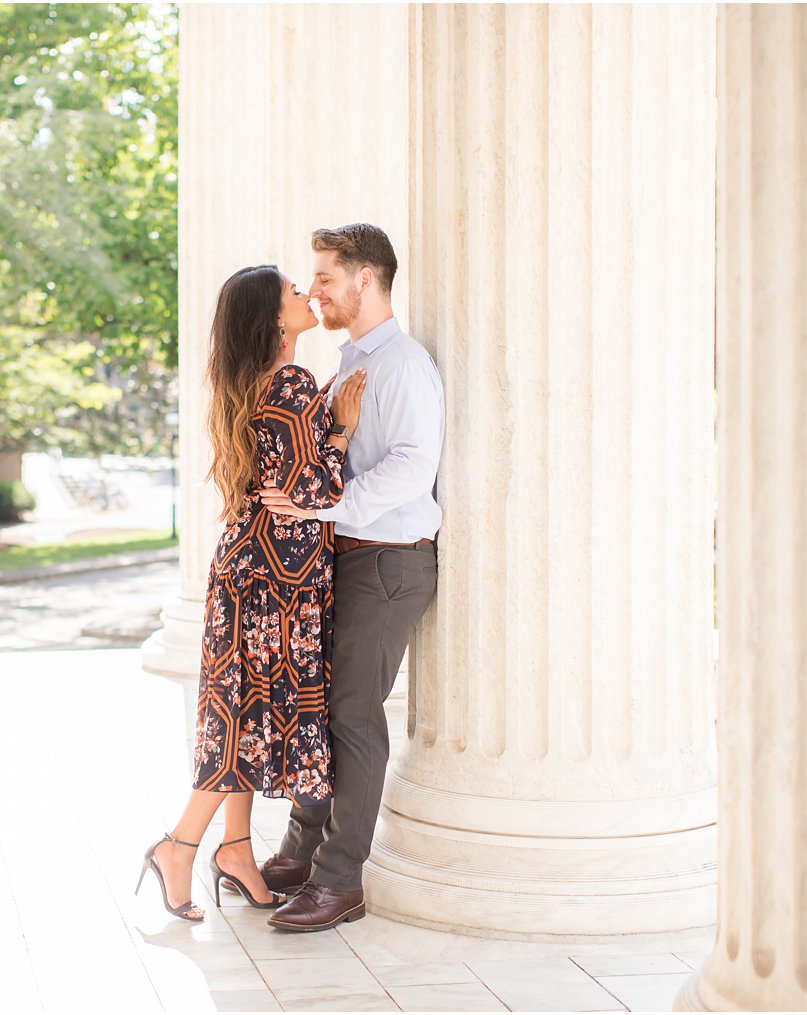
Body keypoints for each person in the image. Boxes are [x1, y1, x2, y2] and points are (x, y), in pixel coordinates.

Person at [137, 264, 368, 921]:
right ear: (274, 318)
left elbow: (287, 480)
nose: (307, 296)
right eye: (296, 292)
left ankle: (234, 848)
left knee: (240, 711)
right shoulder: (291, 381)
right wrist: (343, 429)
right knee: (243, 721)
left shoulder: (252, 384)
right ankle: (179, 845)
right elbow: (316, 493)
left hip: (248, 570)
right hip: (277, 582)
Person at [257, 223, 444, 932]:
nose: (315, 290)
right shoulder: (352, 362)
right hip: (349, 557)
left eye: (326, 277)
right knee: (322, 710)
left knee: (352, 718)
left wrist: (322, 503)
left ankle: (340, 882)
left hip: (389, 563)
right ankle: (303, 855)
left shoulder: (401, 363)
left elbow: (411, 467)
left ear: (365, 280)